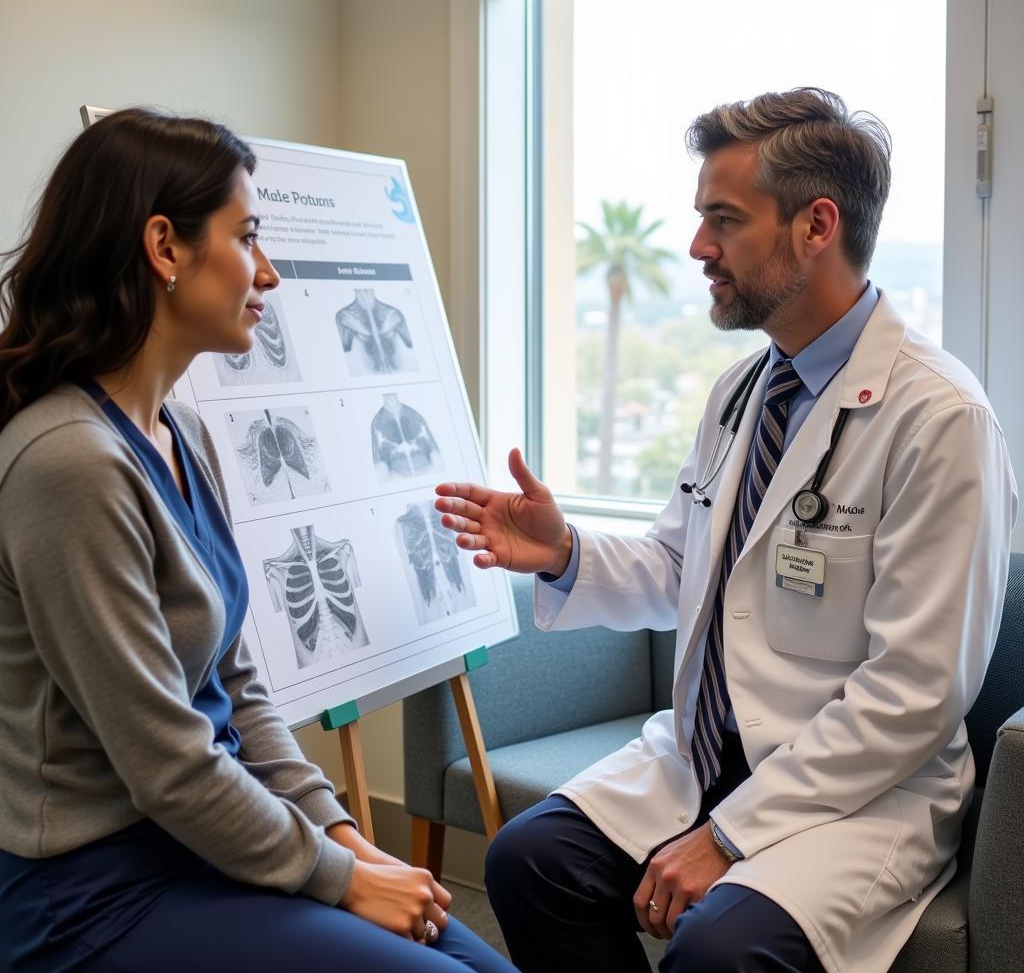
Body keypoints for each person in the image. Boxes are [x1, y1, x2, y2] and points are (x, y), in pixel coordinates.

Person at [435, 88, 1018, 973]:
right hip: (705, 750)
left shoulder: (939, 419)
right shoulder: (745, 391)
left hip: (860, 793)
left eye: (723, 219)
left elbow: (916, 692)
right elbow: (686, 563)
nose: (699, 246)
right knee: (527, 862)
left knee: (719, 953)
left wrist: (730, 835)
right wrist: (564, 552)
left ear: (816, 225)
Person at [0, 109, 516, 973]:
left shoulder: (184, 435)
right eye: (247, 239)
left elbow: (239, 686)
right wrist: (338, 878)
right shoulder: (69, 466)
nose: (269, 274)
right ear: (165, 248)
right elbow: (165, 762)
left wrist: (348, 838)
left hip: (210, 831)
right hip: (94, 887)